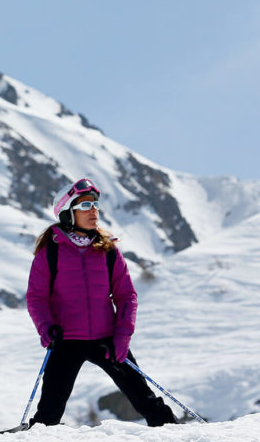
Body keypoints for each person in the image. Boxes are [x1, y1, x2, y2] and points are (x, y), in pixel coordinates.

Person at [26, 177, 178, 427]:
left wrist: (121, 338)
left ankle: (175, 435)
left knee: (146, 400)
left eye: (95, 205)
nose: (93, 210)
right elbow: (36, 297)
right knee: (48, 414)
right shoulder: (50, 251)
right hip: (66, 340)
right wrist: (47, 329)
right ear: (67, 213)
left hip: (107, 340)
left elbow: (126, 295)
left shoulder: (107, 250)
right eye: (85, 206)